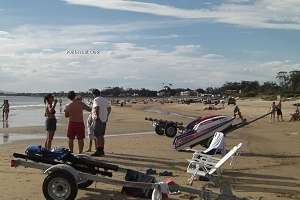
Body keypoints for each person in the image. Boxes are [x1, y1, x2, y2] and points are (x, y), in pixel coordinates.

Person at [91, 89, 111, 157]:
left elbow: (97, 107)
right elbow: (109, 108)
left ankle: (98, 150)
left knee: (97, 135)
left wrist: (97, 116)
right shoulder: (105, 99)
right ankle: (101, 150)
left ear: (94, 94)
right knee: (101, 135)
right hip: (104, 119)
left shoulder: (96, 99)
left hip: (98, 120)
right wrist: (107, 116)